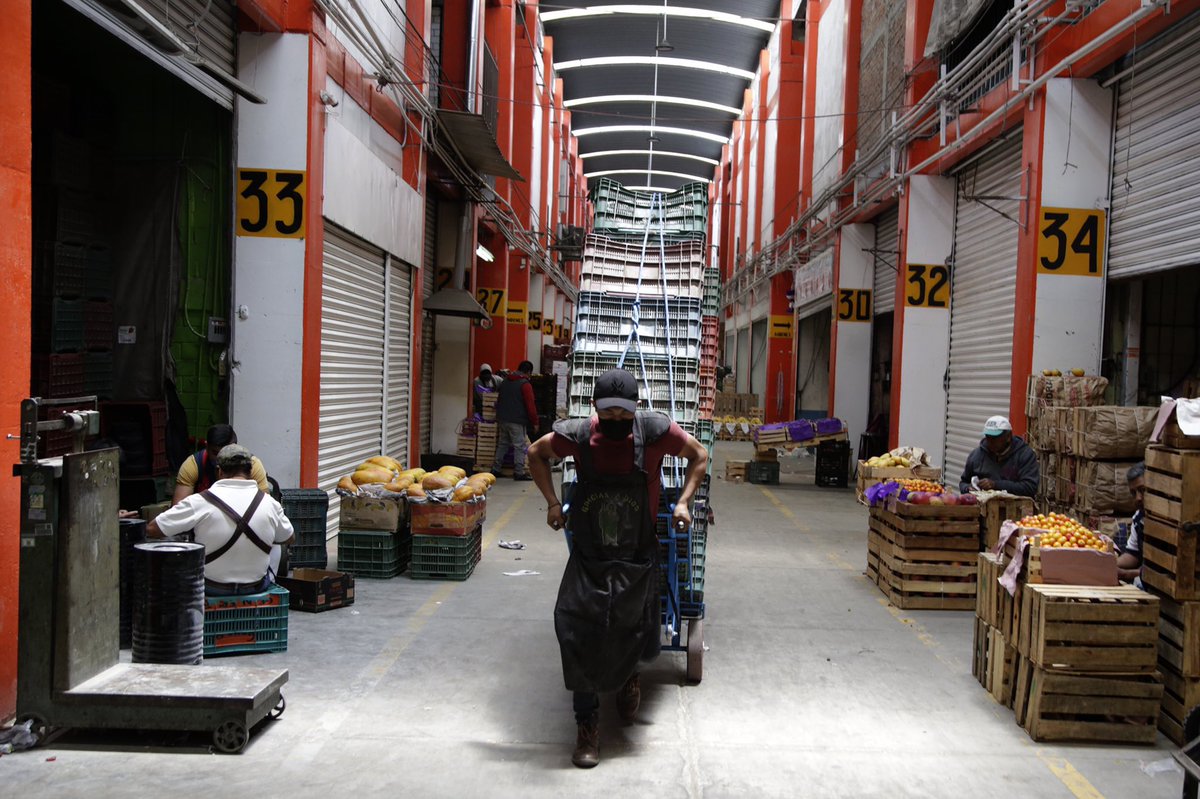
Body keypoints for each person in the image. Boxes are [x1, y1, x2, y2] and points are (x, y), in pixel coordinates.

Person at [527, 368, 709, 769]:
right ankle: (586, 724)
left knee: (638, 633)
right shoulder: (575, 436)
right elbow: (535, 454)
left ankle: (629, 674)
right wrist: (553, 503)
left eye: (623, 416)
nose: (616, 422)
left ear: (635, 409)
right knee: (578, 629)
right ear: (594, 409)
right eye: (608, 415)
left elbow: (699, 455)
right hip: (590, 554)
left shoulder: (656, 431)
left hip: (638, 553)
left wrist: (683, 502)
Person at [148, 445, 295, 596]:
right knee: (274, 546)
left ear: (219, 471)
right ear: (250, 472)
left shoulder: (199, 501)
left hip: (211, 587)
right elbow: (289, 537)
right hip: (254, 586)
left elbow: (153, 529)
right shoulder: (270, 503)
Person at [173, 424, 270, 504]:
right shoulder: (193, 465)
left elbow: (265, 506)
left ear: (235, 448)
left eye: (226, 454)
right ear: (207, 447)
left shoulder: (252, 465)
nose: (219, 459)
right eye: (215, 453)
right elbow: (177, 511)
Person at [958, 415, 1039, 497]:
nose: (989, 441)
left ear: (1008, 437)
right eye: (987, 437)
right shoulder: (976, 455)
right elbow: (963, 482)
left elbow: (1030, 487)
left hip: (1015, 507)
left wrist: (996, 485)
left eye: (994, 438)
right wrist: (968, 488)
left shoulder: (1024, 454)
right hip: (983, 507)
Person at [492, 360, 540, 481]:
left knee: (503, 443)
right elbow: (530, 405)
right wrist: (535, 422)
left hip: (503, 419)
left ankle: (495, 469)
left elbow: (499, 399)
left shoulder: (505, 382)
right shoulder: (525, 384)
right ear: (528, 372)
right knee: (519, 445)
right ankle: (519, 472)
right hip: (517, 420)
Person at [1118, 462, 1145, 584]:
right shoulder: (1139, 518)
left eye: (1143, 490)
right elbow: (1133, 555)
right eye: (1134, 493)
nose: (1138, 498)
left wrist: (1127, 574)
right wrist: (1108, 564)